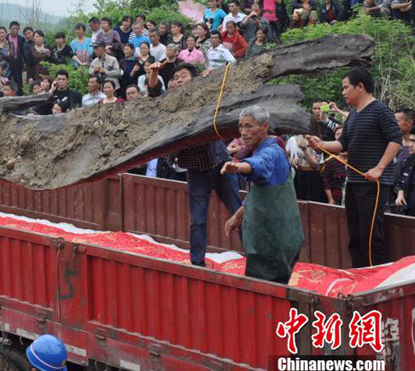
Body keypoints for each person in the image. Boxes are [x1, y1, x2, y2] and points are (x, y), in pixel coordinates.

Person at [307, 68, 402, 267]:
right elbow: (342, 145)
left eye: (346, 87)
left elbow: (396, 140)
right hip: (354, 181)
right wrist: (321, 144)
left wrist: (379, 168)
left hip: (374, 183)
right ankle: (359, 274)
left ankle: (374, 280)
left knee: (370, 235)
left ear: (360, 87)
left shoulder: (380, 110)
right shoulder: (352, 115)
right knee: (355, 233)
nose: (343, 92)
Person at [169, 63, 242, 267]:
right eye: (176, 77)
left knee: (238, 211)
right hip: (195, 171)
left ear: (195, 78)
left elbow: (226, 89)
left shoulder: (206, 96)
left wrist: (211, 79)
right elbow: (155, 92)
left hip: (220, 165)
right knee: (198, 219)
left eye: (183, 75)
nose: (179, 79)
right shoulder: (173, 105)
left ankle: (255, 258)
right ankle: (197, 262)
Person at [222, 106, 304, 284]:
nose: (243, 132)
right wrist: (237, 216)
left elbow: (259, 165)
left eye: (249, 126)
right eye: (241, 127)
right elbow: (257, 192)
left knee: (271, 295)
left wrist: (240, 166)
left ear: (264, 127)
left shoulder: (271, 152)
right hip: (273, 240)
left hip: (273, 242)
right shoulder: (261, 149)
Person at [395, 125, 415, 217]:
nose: (410, 145)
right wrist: (400, 192)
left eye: (414, 141)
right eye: (410, 141)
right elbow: (397, 182)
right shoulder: (407, 162)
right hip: (409, 218)